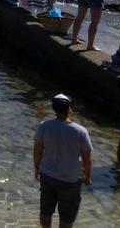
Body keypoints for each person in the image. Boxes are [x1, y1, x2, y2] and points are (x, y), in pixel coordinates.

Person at [34, 93, 93, 227]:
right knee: (67, 217)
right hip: (70, 180)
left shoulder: (44, 126)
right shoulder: (81, 131)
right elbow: (87, 159)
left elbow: (37, 150)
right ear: (69, 109)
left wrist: (37, 168)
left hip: (47, 175)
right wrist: (87, 176)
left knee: (45, 211)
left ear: (54, 108)